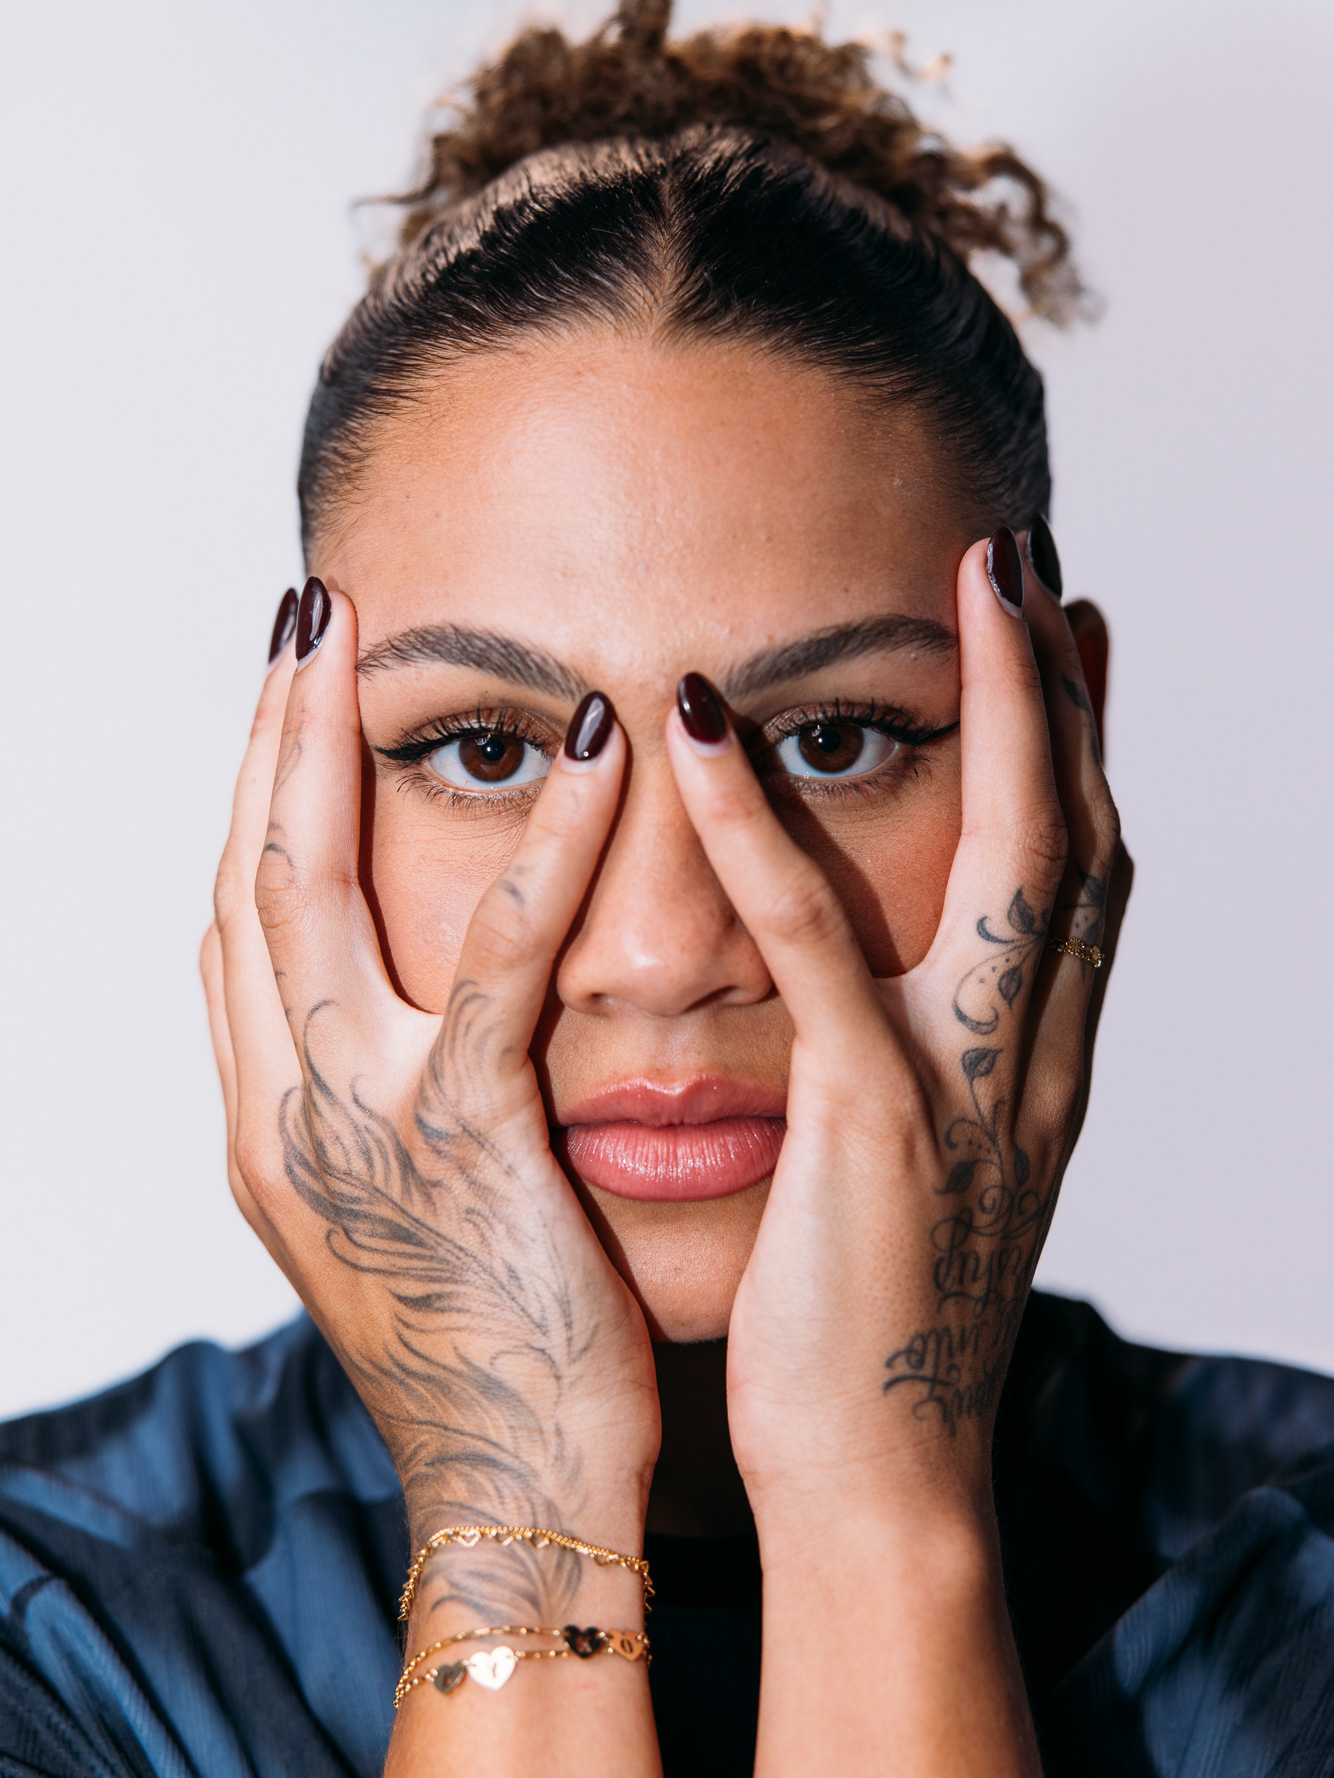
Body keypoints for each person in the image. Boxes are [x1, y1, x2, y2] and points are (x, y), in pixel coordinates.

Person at [5, 5, 1334, 1775]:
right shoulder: (51, 1616)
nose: (657, 948)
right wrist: (512, 1497)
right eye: (487, 750)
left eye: (834, 740)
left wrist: (876, 1501)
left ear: (1061, 753)